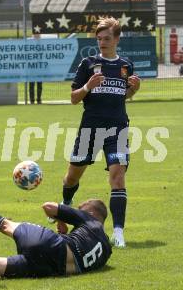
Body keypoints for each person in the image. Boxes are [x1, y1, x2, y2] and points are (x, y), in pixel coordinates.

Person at [55, 17, 141, 248]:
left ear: (116, 39)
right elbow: (74, 98)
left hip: (118, 128)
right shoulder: (88, 63)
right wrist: (87, 87)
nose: (102, 42)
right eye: (99, 39)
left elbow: (121, 96)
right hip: (90, 128)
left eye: (107, 39)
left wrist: (134, 90)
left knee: (118, 177)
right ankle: (65, 203)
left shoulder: (126, 66)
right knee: (73, 177)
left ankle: (119, 232)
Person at [29, 32, 43, 104]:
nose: (37, 35)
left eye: (38, 34)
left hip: (40, 67)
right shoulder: (29, 43)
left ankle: (39, 99)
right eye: (35, 34)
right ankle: (31, 100)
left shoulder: (42, 44)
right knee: (31, 84)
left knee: (39, 84)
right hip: (31, 67)